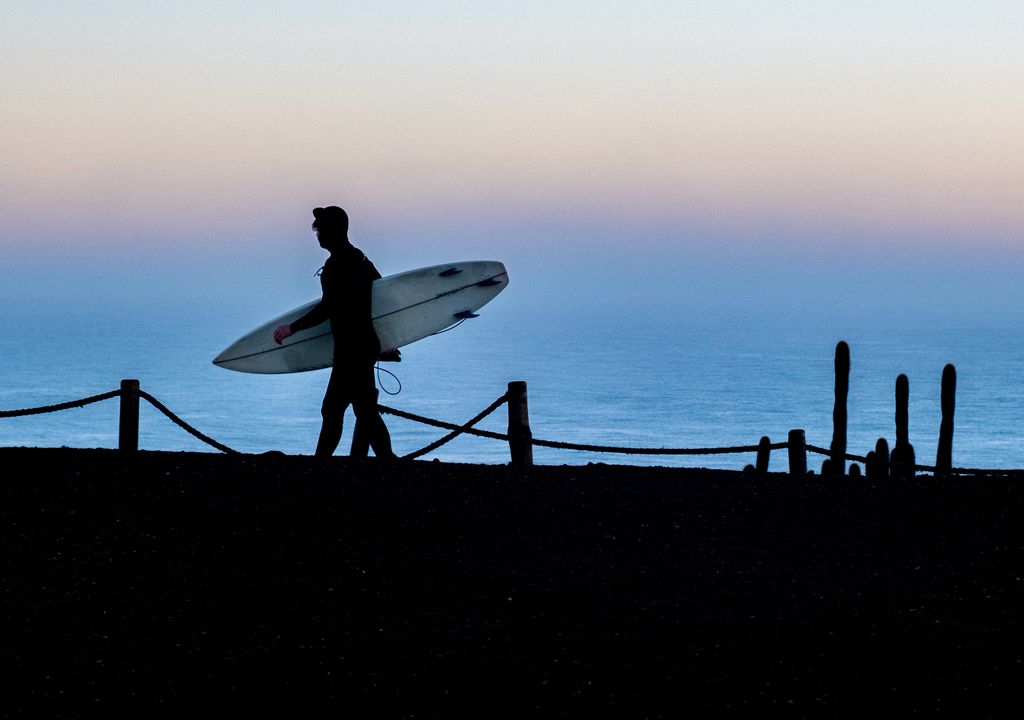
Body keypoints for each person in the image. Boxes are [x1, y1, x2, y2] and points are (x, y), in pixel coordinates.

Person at [273, 206, 395, 458]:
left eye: (319, 228)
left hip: (351, 349)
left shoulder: (336, 265)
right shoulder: (360, 258)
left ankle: (322, 465)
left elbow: (328, 307)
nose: (316, 233)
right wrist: (387, 340)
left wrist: (291, 329)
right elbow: (382, 296)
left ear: (331, 231)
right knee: (361, 410)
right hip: (365, 345)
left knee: (334, 409)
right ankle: (387, 461)